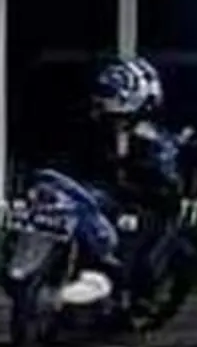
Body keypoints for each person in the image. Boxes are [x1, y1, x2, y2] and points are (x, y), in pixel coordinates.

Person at [79, 55, 188, 301]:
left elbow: (165, 183)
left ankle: (126, 292)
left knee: (133, 240)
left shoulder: (152, 138)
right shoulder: (94, 128)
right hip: (99, 198)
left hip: (136, 202)